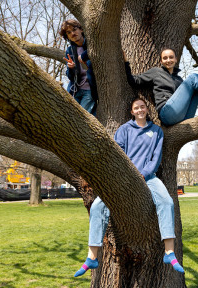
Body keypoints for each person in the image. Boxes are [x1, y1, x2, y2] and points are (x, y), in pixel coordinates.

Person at [74, 98, 184, 277]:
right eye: (136, 108)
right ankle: (92, 257)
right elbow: (118, 154)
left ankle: (169, 253)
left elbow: (155, 159)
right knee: (97, 207)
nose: (140, 110)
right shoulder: (124, 130)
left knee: (167, 202)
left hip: (148, 177)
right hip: (123, 177)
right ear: (132, 112)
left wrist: (143, 174)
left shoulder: (157, 131)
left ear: (147, 110)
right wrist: (127, 175)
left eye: (142, 107)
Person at [124, 48, 198, 126]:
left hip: (184, 117)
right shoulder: (156, 72)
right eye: (165, 58)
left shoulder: (179, 80)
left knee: (196, 87)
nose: (168, 60)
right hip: (167, 113)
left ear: (176, 59)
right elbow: (134, 81)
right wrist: (126, 63)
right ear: (161, 61)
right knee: (193, 78)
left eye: (171, 57)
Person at [59, 19, 98, 114]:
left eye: (74, 29)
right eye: (69, 32)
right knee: (71, 117)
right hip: (75, 90)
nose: (73, 33)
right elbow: (70, 77)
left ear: (81, 30)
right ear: (67, 36)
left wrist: (84, 56)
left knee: (83, 117)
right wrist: (71, 68)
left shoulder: (92, 45)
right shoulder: (70, 50)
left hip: (89, 90)